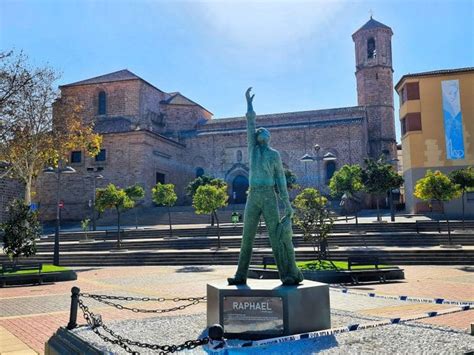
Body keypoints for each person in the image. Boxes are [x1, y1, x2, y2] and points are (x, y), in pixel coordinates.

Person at [227, 88, 303, 286]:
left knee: (276, 235)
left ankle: (286, 274)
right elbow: (250, 126)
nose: (259, 132)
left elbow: (281, 180)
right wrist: (249, 105)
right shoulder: (252, 151)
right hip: (253, 195)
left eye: (263, 131)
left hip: (269, 196)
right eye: (258, 132)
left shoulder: (274, 155)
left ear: (268, 136)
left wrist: (287, 203)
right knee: (247, 237)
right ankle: (240, 275)